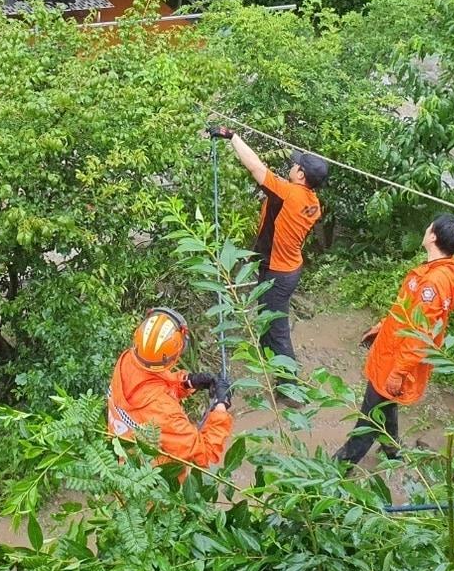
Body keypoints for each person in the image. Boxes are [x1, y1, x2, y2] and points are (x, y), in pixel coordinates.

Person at [334, 213, 454, 465]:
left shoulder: (434, 283)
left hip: (396, 359)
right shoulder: (433, 273)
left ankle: (343, 463)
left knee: (370, 413)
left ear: (432, 236)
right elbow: (405, 313)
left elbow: (420, 335)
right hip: (391, 348)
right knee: (384, 403)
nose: (426, 228)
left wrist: (399, 372)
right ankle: (393, 451)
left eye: (429, 226)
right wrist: (380, 328)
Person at [208, 128, 326, 377]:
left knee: (277, 328)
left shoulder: (289, 194)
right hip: (286, 268)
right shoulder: (313, 202)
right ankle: (268, 360)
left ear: (301, 175)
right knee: (268, 318)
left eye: (296, 165)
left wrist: (231, 136)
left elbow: (255, 167)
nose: (292, 166)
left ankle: (289, 386)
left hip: (279, 272)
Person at [107, 307, 233, 472]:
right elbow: (203, 454)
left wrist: (188, 382)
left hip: (126, 466)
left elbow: (152, 385)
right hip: (157, 484)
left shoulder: (127, 361)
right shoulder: (165, 414)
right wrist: (221, 406)